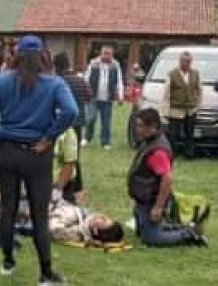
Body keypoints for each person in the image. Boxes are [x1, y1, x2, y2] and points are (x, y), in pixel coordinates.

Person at [0, 34, 78, 286]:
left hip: (7, 151)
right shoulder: (54, 84)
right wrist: (50, 136)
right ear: (43, 56)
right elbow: (71, 112)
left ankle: (7, 261)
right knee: (39, 215)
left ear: (16, 55)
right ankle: (45, 273)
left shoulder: (3, 80)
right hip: (37, 154)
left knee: (7, 208)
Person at [128, 108, 206, 247]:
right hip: (143, 200)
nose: (137, 129)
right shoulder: (150, 141)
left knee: (152, 239)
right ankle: (184, 227)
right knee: (142, 232)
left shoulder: (158, 151)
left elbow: (167, 179)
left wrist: (158, 207)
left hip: (152, 200)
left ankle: (189, 234)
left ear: (152, 126)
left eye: (140, 125)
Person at [53, 51, 92, 200]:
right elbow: (89, 96)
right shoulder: (80, 79)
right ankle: (78, 186)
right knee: (74, 156)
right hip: (78, 122)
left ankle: (69, 185)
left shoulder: (58, 81)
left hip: (62, 122)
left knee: (64, 157)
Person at [162, 50, 202, 158]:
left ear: (191, 62)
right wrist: (165, 110)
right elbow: (166, 93)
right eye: (184, 61)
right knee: (173, 135)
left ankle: (189, 154)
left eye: (188, 61)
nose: (186, 63)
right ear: (179, 61)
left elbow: (199, 90)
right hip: (175, 110)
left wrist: (197, 105)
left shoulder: (196, 74)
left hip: (190, 110)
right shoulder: (172, 74)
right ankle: (171, 154)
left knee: (189, 134)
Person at [84, 46, 124, 149]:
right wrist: (86, 92)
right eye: (105, 53)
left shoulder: (116, 65)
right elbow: (86, 79)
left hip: (107, 98)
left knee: (106, 121)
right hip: (93, 96)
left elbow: (119, 81)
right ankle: (87, 138)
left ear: (112, 55)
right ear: (101, 53)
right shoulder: (93, 63)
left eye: (109, 54)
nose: (107, 55)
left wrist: (120, 96)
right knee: (90, 118)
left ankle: (105, 142)